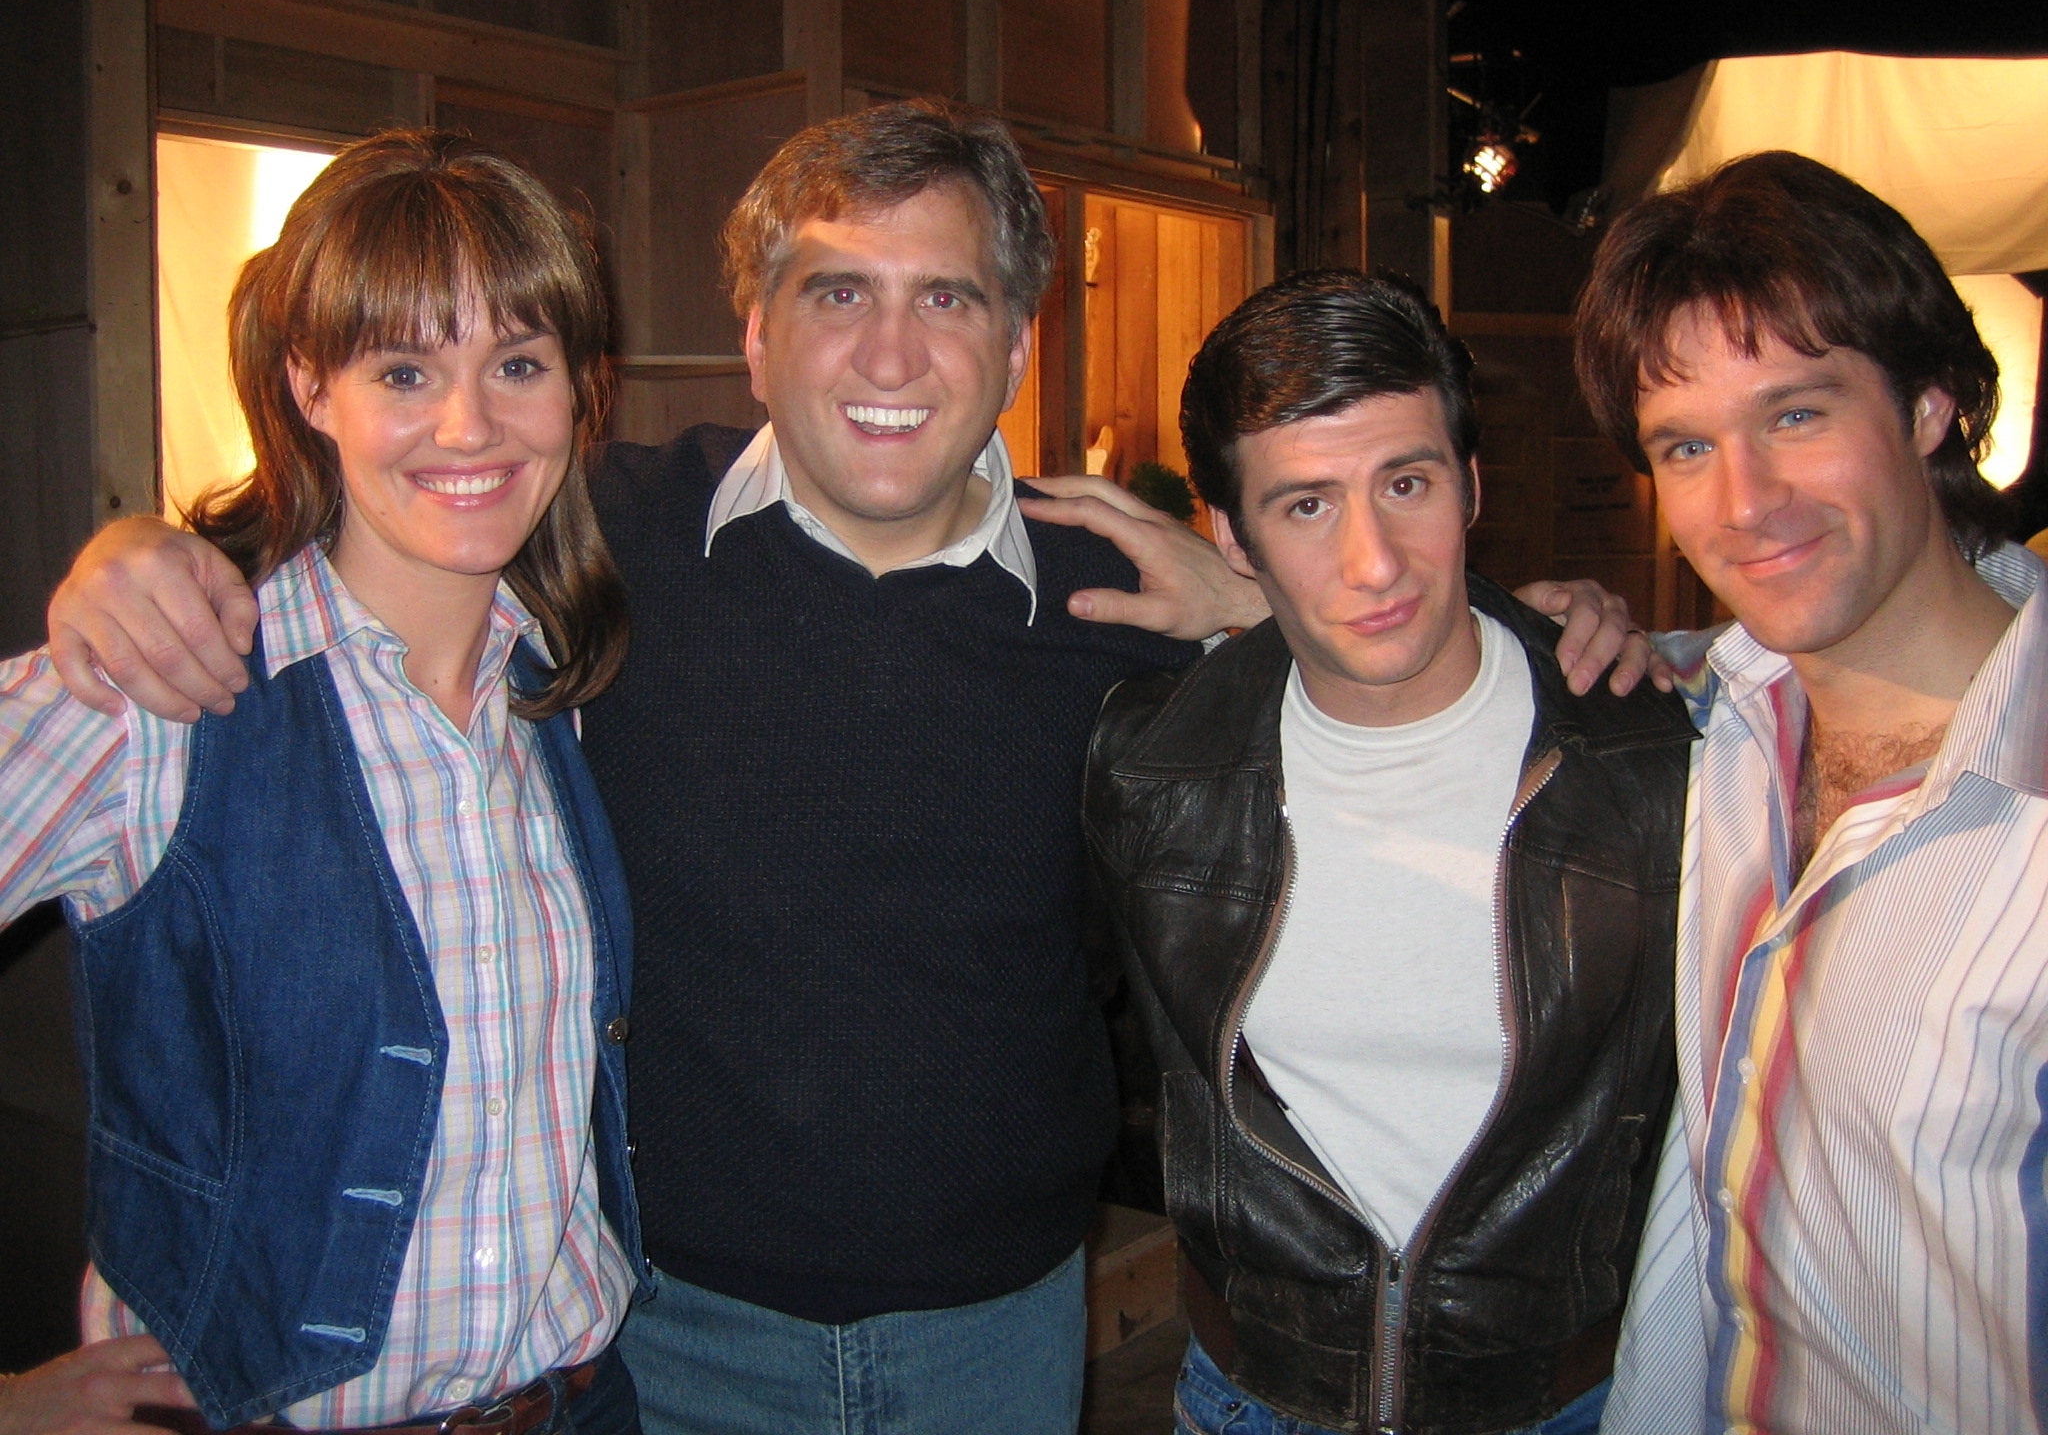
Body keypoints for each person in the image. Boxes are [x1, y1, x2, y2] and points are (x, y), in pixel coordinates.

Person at [39, 101, 1654, 1435]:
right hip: (663, 1335)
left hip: (998, 1334)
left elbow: (1386, 614)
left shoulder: (1117, 594)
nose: (890, 350)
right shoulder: (605, 544)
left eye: (945, 297)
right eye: (834, 293)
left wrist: (1517, 624)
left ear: (1014, 339)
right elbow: (399, 508)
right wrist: (147, 556)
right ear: (755, 335)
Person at [0, 129, 645, 1435]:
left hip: (578, 1408)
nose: (469, 424)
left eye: (517, 364)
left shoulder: (559, 702)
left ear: (579, 391)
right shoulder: (157, 694)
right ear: (309, 385)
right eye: (404, 370)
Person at [1081, 270, 1692, 1435]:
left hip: (1561, 1404)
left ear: (1470, 484)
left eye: (1404, 484)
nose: (1373, 561)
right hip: (1254, 1397)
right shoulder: (1148, 771)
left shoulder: (1650, 759)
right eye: (1305, 505)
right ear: (1232, 536)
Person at [1573, 151, 2048, 1435]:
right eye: (1685, 445)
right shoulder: (1718, 713)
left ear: (1929, 406)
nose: (1745, 504)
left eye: (1794, 416)